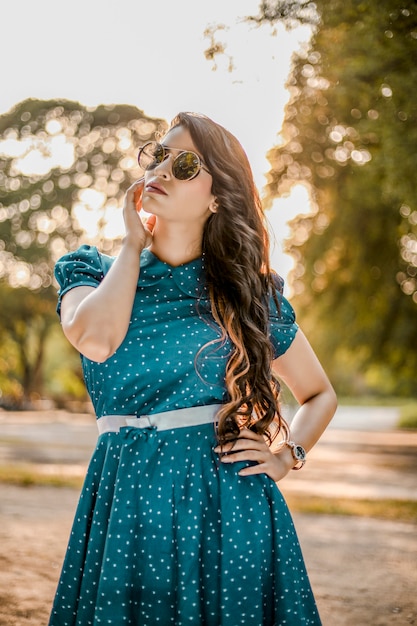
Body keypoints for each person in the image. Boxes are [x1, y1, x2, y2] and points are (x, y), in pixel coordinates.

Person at [49, 111, 337, 626]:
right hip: (124, 501)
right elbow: (96, 338)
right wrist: (133, 246)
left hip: (227, 510)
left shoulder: (247, 297)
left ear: (217, 198)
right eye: (157, 156)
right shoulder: (90, 270)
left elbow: (319, 394)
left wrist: (286, 454)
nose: (161, 170)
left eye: (184, 164)